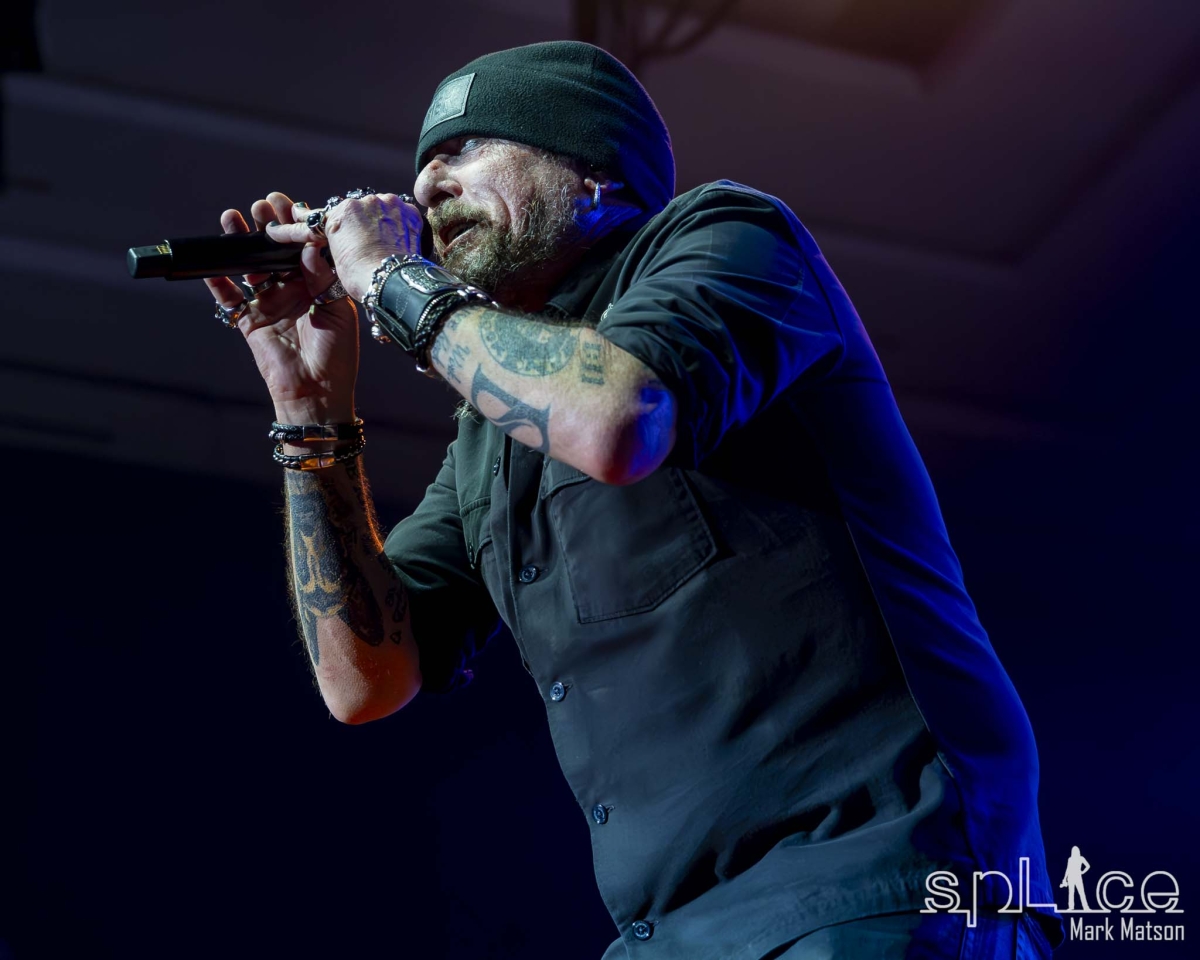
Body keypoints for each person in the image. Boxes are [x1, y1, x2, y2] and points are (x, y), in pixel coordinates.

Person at [206, 40, 1062, 960]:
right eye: (423, 164)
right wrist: (310, 412)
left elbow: (618, 418)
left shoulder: (734, 236)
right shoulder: (491, 434)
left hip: (875, 880)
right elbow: (366, 681)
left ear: (593, 173)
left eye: (467, 150)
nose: (426, 186)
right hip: (671, 935)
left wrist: (390, 281)